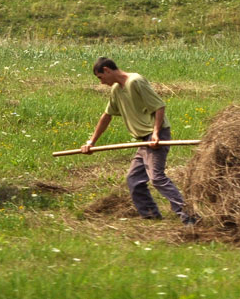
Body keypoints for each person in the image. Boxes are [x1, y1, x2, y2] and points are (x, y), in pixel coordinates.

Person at [81, 57, 196, 224]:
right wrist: (91, 142)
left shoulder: (135, 81)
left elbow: (159, 106)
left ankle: (190, 216)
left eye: (100, 77)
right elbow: (107, 116)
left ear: (106, 70)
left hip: (155, 135)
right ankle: (150, 216)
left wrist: (156, 133)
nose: (101, 82)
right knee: (134, 179)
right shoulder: (116, 89)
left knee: (157, 178)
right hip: (143, 139)